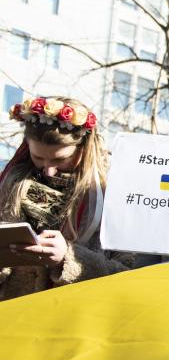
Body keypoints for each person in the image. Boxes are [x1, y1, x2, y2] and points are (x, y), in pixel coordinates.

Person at [1, 96, 133, 300]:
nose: (49, 170)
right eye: (38, 158)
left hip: (71, 323)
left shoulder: (115, 195)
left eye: (60, 159)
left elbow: (130, 277)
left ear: (85, 149)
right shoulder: (7, 187)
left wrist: (67, 258)